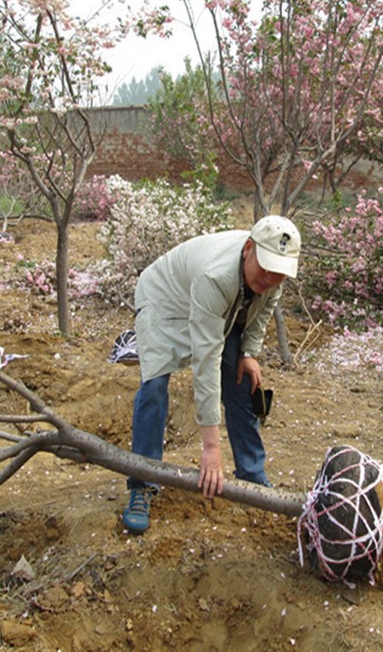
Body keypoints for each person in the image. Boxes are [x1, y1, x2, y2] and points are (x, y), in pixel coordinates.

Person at [122, 215, 301, 534]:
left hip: (220, 304)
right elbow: (206, 359)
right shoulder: (215, 276)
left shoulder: (273, 274)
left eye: (279, 273)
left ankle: (251, 474)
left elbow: (261, 312)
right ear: (249, 249)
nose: (271, 277)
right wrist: (211, 448)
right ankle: (143, 483)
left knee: (243, 379)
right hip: (164, 300)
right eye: (266, 268)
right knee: (154, 385)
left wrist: (249, 353)